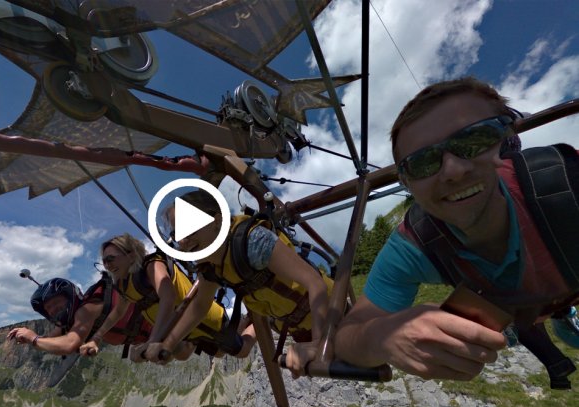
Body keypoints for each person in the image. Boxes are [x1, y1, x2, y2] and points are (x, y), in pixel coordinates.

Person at [334, 77, 579, 383]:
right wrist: (383, 335)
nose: (453, 170)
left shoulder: (567, 182)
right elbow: (347, 336)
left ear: (507, 140)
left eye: (472, 141)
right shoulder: (414, 243)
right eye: (422, 163)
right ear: (408, 184)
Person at [157, 191, 332, 377]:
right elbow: (200, 306)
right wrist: (167, 345)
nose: (183, 240)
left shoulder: (253, 242)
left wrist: (319, 343)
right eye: (177, 234)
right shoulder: (211, 267)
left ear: (217, 221)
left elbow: (314, 282)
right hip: (296, 327)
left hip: (330, 313)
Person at [79, 234, 256, 363]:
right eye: (105, 262)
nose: (108, 265)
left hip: (205, 317)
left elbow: (168, 297)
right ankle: (244, 321)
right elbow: (118, 312)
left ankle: (257, 321)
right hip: (185, 330)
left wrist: (153, 340)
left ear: (131, 255)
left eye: (111, 259)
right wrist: (96, 337)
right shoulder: (124, 284)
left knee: (241, 351)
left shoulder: (152, 265)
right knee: (170, 355)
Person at [7, 274, 154, 356]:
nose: (52, 310)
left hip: (157, 329)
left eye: (55, 303)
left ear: (69, 296)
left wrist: (33, 338)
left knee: (139, 357)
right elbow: (49, 340)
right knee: (136, 357)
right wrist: (29, 337)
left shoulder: (86, 311)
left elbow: (69, 345)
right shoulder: (71, 321)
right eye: (48, 309)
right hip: (144, 338)